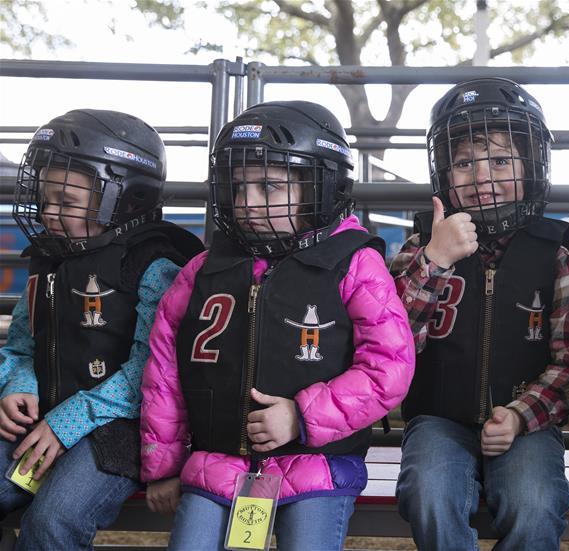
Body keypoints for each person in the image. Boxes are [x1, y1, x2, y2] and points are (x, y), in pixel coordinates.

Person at [139, 100, 415, 550]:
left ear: (317, 186)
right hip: (216, 465)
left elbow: (390, 367)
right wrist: (164, 466)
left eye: (268, 187)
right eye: (239, 187)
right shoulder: (204, 270)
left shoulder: (355, 264)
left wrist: (302, 416)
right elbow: (163, 373)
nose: (248, 203)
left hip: (317, 467)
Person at [391, 78, 569, 550]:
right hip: (438, 418)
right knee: (429, 492)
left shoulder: (552, 257)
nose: (482, 176)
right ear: (445, 174)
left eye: (501, 160)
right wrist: (434, 262)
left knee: (536, 502)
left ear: (530, 167)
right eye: (465, 163)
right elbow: (392, 343)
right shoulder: (420, 249)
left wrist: (523, 415)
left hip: (526, 422)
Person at [0, 109, 203, 549]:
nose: (49, 211)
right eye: (45, 196)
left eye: (67, 201)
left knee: (52, 522)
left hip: (119, 433)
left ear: (126, 201)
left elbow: (150, 371)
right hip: (41, 419)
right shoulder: (48, 259)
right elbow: (20, 344)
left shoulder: (152, 266)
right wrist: (18, 385)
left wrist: (65, 424)